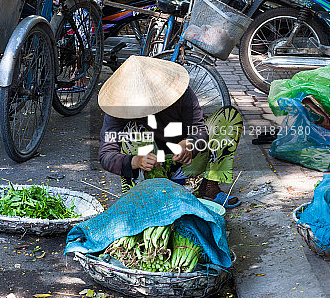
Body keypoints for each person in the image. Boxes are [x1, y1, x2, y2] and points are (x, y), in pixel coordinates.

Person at [98, 55, 243, 208]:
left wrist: (189, 143)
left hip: (182, 161)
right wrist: (136, 161)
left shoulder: (180, 92)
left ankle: (209, 186)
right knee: (133, 131)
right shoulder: (119, 106)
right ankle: (150, 194)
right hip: (147, 170)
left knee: (229, 118)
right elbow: (106, 154)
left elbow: (198, 128)